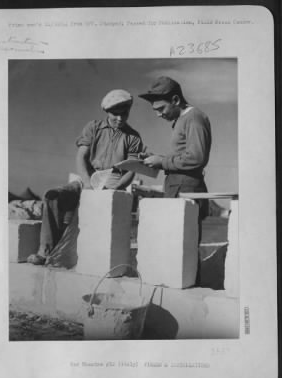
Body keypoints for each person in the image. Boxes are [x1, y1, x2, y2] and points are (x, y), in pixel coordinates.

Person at [27, 89, 143, 266]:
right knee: (52, 196)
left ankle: (68, 255)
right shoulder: (93, 127)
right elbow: (81, 156)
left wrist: (116, 188)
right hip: (87, 180)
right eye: (115, 114)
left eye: (124, 114)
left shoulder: (133, 137)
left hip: (112, 184)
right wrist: (88, 184)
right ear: (107, 112)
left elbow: (131, 170)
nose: (120, 119)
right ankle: (46, 251)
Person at [138, 76, 212, 283]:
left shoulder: (194, 117)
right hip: (177, 186)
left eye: (161, 109)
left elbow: (197, 158)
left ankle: (190, 292)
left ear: (176, 100)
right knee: (174, 243)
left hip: (186, 188)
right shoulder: (181, 120)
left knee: (184, 245)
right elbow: (183, 156)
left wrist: (162, 162)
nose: (159, 115)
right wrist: (156, 159)